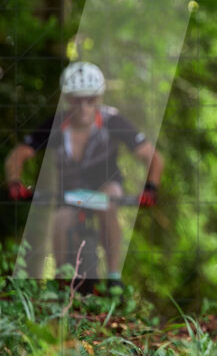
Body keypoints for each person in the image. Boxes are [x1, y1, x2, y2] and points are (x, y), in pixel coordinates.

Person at [4, 62, 164, 287]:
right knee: (60, 220)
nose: (84, 106)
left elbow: (153, 157)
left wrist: (151, 188)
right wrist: (14, 182)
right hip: (68, 193)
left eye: (91, 99)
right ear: (68, 99)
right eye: (77, 100)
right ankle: (60, 282)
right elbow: (17, 155)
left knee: (108, 201)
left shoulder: (113, 121)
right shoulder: (55, 124)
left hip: (105, 186)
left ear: (99, 97)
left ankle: (114, 276)